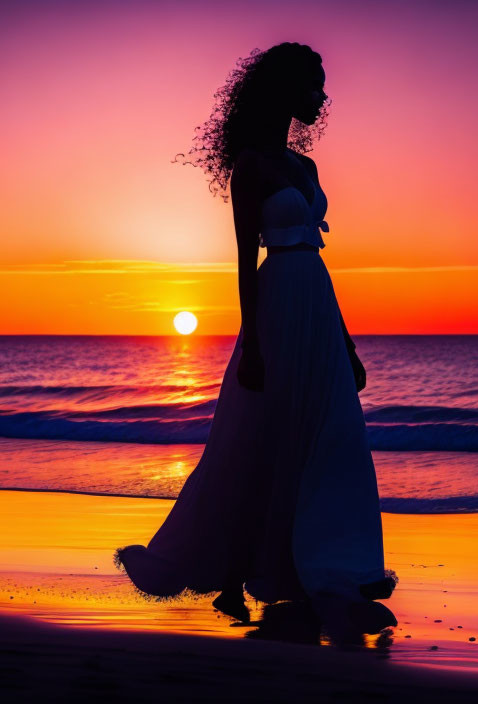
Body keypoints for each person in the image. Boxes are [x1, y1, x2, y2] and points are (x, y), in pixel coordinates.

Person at [115, 42, 398, 639]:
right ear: (284, 88)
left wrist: (346, 345)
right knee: (267, 438)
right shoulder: (251, 164)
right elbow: (245, 262)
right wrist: (255, 347)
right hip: (275, 306)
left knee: (334, 431)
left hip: (316, 301)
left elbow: (316, 259)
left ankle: (340, 565)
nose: (322, 95)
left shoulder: (308, 168)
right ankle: (268, 570)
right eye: (314, 83)